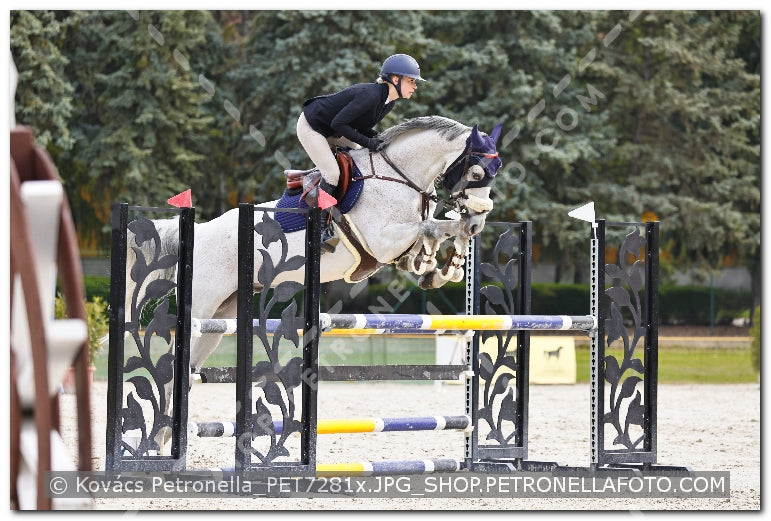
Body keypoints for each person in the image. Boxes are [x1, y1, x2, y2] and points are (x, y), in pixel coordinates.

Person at [296, 53, 425, 252]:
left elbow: (360, 126)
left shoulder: (388, 101)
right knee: (332, 174)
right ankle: (317, 228)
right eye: (411, 81)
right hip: (313, 127)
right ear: (395, 79)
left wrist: (379, 139)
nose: (415, 86)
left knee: (361, 160)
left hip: (335, 129)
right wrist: (369, 142)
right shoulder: (371, 94)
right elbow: (339, 122)